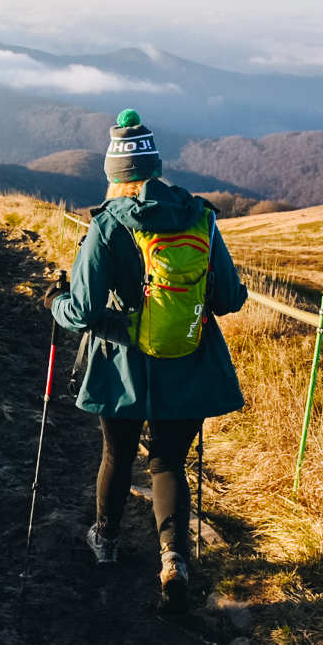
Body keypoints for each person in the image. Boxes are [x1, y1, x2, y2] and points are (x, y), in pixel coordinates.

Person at [43, 108, 247, 613]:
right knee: (169, 461)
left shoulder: (108, 224)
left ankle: (106, 541)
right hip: (191, 361)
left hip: (122, 366)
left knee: (117, 455)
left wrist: (55, 303)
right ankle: (174, 559)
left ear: (115, 175)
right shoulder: (201, 216)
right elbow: (229, 299)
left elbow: (84, 311)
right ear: (155, 167)